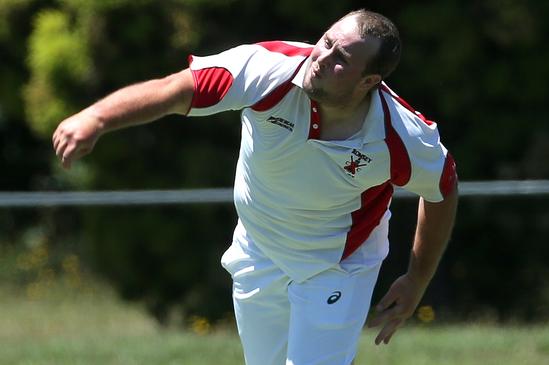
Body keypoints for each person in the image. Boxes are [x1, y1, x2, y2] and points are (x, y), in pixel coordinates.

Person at [52, 9, 458, 365]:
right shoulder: (267, 68)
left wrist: (416, 278)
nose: (322, 57)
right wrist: (96, 118)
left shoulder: (400, 135)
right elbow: (174, 91)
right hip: (259, 249)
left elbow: (442, 189)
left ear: (369, 80)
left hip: (338, 263)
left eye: (342, 58)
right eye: (327, 41)